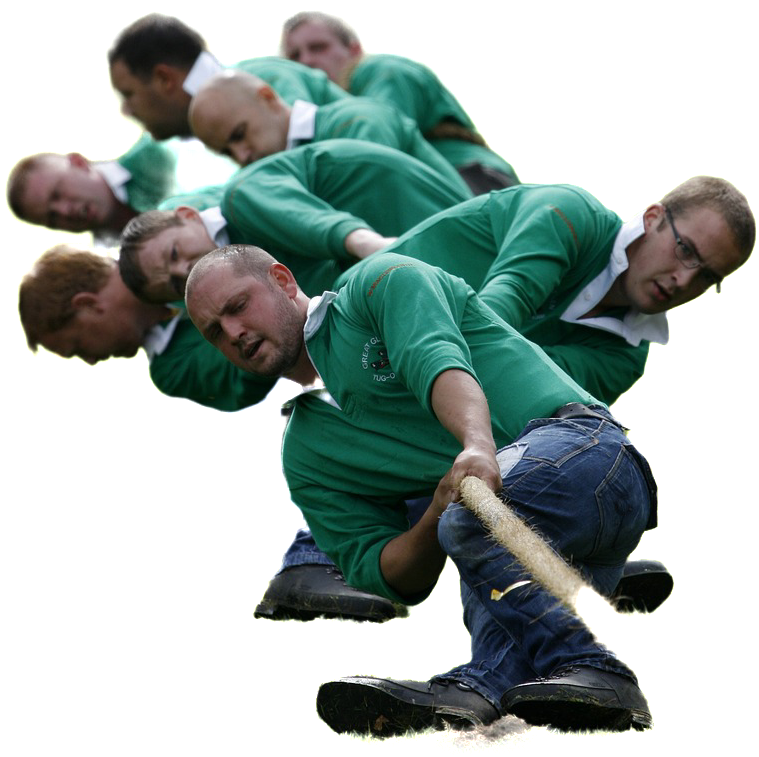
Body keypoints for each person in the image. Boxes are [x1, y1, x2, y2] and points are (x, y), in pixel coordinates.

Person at [185, 244, 660, 735]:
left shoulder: (380, 284)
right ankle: (482, 689)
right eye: (215, 332)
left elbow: (436, 358)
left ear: (283, 281)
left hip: (592, 455)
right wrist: (434, 511)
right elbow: (388, 575)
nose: (234, 333)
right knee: (474, 542)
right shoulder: (305, 453)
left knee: (473, 517)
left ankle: (597, 667)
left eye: (238, 306)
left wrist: (477, 447)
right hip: (517, 537)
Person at [254, 173, 754, 623]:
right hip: (373, 334)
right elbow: (499, 312)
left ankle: (571, 559)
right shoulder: (569, 212)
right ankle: (311, 556)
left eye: (707, 278)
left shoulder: (625, 356)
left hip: (441, 411)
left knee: (511, 457)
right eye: (686, 251)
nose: (684, 280)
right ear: (653, 217)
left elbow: (533, 409)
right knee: (444, 435)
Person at [117, 138, 471, 303]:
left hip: (387, 200)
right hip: (403, 249)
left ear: (187, 215)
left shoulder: (239, 199)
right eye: (175, 284)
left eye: (174, 253)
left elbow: (313, 224)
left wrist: (369, 245)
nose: (183, 270)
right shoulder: (243, 272)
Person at [278, 9, 521, 194]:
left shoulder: (382, 69)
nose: (306, 61)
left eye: (318, 47)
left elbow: (376, 140)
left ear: (355, 50)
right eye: (294, 56)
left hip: (470, 178)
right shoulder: (340, 105)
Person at [15, 243, 279, 412]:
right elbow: (257, 367)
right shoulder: (170, 369)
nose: (91, 361)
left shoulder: (164, 241)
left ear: (87, 304)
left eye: (78, 348)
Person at [187, 69, 471, 196]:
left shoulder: (358, 122)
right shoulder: (278, 177)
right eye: (226, 153)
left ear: (268, 97)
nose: (241, 156)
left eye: (239, 135)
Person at [105, 11, 349, 143]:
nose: (125, 111)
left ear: (164, 79)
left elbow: (303, 162)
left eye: (128, 94)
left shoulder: (269, 80)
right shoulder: (178, 134)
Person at [5, 135, 180, 245]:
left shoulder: (162, 149)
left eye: (57, 194)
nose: (64, 211)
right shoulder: (113, 271)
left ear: (79, 162)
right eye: (52, 217)